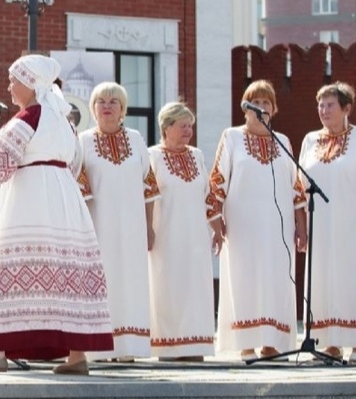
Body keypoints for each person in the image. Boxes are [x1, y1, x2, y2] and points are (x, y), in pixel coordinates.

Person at [0, 55, 112, 375]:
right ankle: (76, 356)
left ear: (30, 83)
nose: (9, 86)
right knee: (63, 269)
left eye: (14, 80)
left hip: (29, 198)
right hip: (64, 197)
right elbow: (74, 161)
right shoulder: (63, 119)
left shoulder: (26, 118)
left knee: (9, 268)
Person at [207, 80, 307, 360]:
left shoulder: (283, 141)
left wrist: (301, 225)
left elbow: (296, 186)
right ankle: (246, 344)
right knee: (244, 279)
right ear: (245, 108)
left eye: (266, 102)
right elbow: (216, 182)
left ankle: (272, 343)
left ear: (273, 108)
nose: (261, 108)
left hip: (279, 228)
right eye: (255, 102)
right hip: (242, 226)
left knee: (277, 280)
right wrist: (216, 223)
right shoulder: (231, 137)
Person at [297, 82, 356, 362]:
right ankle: (329, 342)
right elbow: (298, 187)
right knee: (322, 279)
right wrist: (301, 227)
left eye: (330, 105)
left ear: (346, 108)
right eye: (320, 105)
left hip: (355, 225)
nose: (323, 111)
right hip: (320, 227)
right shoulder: (310, 140)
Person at [78, 82, 158, 361]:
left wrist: (149, 227)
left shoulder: (136, 139)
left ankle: (128, 348)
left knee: (131, 281)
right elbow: (80, 188)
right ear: (93, 108)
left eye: (114, 102)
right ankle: (101, 347)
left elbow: (149, 188)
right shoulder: (83, 141)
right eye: (101, 101)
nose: (107, 106)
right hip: (98, 227)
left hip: (133, 227)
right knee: (103, 282)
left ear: (123, 109)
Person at [147, 102, 216, 361]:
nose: (188, 130)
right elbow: (146, 197)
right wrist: (148, 230)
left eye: (190, 125)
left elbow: (207, 194)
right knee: (167, 286)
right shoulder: (152, 155)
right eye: (183, 125)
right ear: (167, 127)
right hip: (165, 234)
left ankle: (194, 346)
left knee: (195, 287)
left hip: (196, 234)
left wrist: (216, 229)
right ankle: (168, 347)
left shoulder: (196, 155)